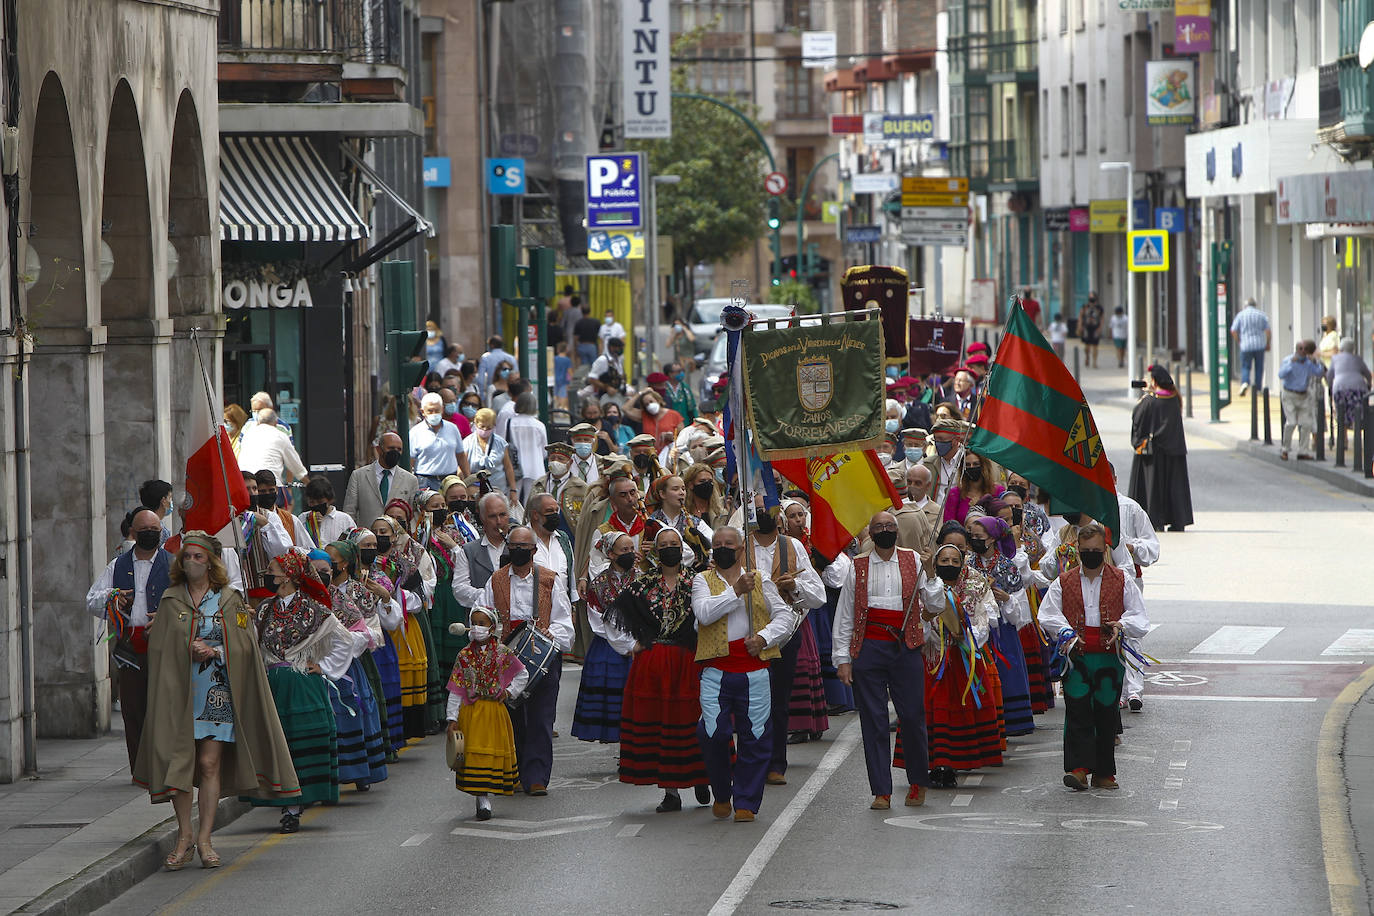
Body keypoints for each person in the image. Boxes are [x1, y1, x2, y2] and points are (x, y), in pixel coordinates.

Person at [133, 532, 299, 870]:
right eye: (187, 557)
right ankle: (184, 835)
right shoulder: (170, 600)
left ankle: (206, 838)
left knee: (209, 764)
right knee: (180, 762)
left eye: (197, 556)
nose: (191, 561)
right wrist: (179, 649)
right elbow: (159, 650)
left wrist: (215, 650)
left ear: (210, 562)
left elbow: (246, 647)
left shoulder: (230, 600)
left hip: (217, 692)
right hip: (178, 695)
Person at [249, 548, 356, 833]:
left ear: (288, 576)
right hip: (274, 686)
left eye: (272, 569)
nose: (268, 575)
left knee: (300, 744)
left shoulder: (314, 609)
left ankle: (295, 807)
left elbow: (346, 641)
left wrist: (326, 667)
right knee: (281, 745)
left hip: (303, 685)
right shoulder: (264, 609)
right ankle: (287, 802)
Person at [605, 527, 711, 812]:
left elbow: (711, 617)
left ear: (682, 547)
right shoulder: (643, 583)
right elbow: (613, 617)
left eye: (673, 544)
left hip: (688, 661)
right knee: (661, 724)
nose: (668, 549)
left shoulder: (697, 581)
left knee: (693, 721)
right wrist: (632, 645)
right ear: (655, 550)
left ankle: (702, 776)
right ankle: (671, 791)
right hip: (653, 664)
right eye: (663, 544)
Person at [692, 526, 793, 823]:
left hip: (754, 671)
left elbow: (785, 616)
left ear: (740, 550)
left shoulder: (760, 580)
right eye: (717, 544)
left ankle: (747, 800)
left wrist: (764, 637)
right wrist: (735, 591)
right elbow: (704, 613)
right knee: (712, 733)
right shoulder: (702, 580)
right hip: (716, 670)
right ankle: (722, 791)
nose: (723, 548)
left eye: (729, 544)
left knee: (757, 736)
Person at [1037, 523, 1149, 791]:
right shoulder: (1063, 582)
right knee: (1077, 710)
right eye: (1086, 550)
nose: (1091, 554)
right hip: (1078, 657)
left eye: (1096, 550)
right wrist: (1066, 632)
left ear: (1105, 549)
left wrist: (1121, 625)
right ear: (1077, 550)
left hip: (1109, 658)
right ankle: (1078, 770)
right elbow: (1047, 614)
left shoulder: (1122, 579)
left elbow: (1139, 616)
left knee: (1106, 713)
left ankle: (1103, 773)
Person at [831, 510, 930, 810]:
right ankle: (881, 791)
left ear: (897, 531)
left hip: (906, 646)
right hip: (870, 647)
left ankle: (917, 781)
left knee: (912, 716)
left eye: (890, 526)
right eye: (879, 527)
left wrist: (933, 574)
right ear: (870, 534)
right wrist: (842, 659)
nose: (885, 530)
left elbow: (934, 604)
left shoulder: (914, 560)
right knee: (872, 721)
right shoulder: (857, 565)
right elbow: (845, 614)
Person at [481, 526, 575, 795]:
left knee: (541, 717)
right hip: (507, 657)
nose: (518, 551)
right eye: (513, 546)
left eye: (524, 547)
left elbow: (564, 623)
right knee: (511, 716)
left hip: (542, 657)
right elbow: (486, 616)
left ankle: (536, 777)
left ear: (534, 550)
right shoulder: (495, 580)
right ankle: (516, 770)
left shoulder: (549, 579)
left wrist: (550, 633)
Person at [739, 496, 826, 787]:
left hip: (786, 635)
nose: (766, 515)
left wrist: (795, 585)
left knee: (779, 701)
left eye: (771, 509)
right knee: (747, 702)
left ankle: (776, 763)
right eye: (760, 510)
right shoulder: (740, 546)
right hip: (747, 635)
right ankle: (749, 760)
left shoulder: (794, 546)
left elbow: (818, 595)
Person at [908, 533, 1002, 788]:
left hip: (964, 658)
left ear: (962, 562)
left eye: (954, 560)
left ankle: (952, 762)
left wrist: (966, 636)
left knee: (959, 713)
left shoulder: (977, 583)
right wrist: (933, 632)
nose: (949, 564)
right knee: (932, 712)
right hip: (933, 659)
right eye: (944, 559)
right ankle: (934, 763)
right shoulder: (924, 583)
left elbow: (988, 616)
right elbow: (917, 616)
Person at [86, 508, 170, 770]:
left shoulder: (174, 563)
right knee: (133, 711)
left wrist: (169, 616)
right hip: (130, 649)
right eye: (144, 530)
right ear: (133, 532)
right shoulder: (118, 565)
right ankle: (139, 769)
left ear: (161, 532)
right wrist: (112, 597)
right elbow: (91, 601)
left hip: (165, 647)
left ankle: (165, 767)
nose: (149, 535)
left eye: (154, 531)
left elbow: (191, 605)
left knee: (165, 710)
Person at [445, 606, 527, 820]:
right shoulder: (463, 656)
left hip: (494, 712)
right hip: (471, 713)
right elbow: (456, 689)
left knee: (491, 754)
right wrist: (452, 718)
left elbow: (522, 674)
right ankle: (482, 799)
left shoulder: (502, 653)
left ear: (492, 627)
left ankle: (487, 794)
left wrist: (509, 693)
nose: (477, 628)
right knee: (475, 755)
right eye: (474, 623)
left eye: (482, 623)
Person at [323, 539, 390, 789]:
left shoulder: (360, 591)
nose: (328, 568)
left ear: (346, 563)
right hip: (324, 660)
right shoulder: (320, 592)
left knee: (356, 711)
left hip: (354, 662)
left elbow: (375, 631)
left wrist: (349, 640)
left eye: (333, 562)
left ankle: (362, 771)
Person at [965, 515, 1034, 738]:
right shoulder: (967, 565)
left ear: (992, 539)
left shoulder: (1008, 567)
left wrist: (1006, 599)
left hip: (1003, 632)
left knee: (1007, 673)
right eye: (972, 536)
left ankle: (1013, 721)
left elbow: (1021, 614)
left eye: (979, 536)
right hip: (976, 629)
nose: (974, 540)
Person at [572, 531, 638, 743]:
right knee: (612, 702)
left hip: (639, 644)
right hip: (608, 647)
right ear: (610, 554)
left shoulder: (643, 578)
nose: (629, 553)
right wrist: (624, 644)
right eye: (624, 550)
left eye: (631, 549)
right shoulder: (599, 583)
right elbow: (597, 620)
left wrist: (637, 641)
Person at [1128, 364, 1194, 532]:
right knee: (1174, 487)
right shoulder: (1174, 399)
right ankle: (1177, 520)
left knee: (1153, 488)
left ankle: (1156, 520)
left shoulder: (1150, 401)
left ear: (1155, 381)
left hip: (1154, 452)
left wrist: (1145, 396)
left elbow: (1137, 418)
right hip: (1175, 450)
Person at [1114, 475, 1160, 713]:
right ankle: (1118, 690)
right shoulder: (1086, 508)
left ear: (1114, 479)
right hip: (1098, 578)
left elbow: (1152, 547)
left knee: (1131, 631)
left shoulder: (1130, 508)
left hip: (1130, 579)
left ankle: (1134, 690)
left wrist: (1132, 547)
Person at [343, 431, 420, 526]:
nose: (395, 452)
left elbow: (414, 515)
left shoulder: (411, 480)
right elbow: (349, 512)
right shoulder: (358, 476)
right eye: (391, 448)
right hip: (368, 536)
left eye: (399, 449)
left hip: (397, 538)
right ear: (379, 449)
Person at [1278, 339, 1326, 462]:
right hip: (1290, 394)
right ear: (1296, 349)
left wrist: (1316, 359)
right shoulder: (1289, 360)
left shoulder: (1308, 363)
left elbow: (1319, 372)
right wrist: (1291, 364)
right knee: (1291, 422)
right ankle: (1285, 449)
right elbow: (1281, 375)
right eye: (1301, 349)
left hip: (1303, 395)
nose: (1303, 352)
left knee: (1306, 424)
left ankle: (1303, 451)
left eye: (1305, 349)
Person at [411, 392, 466, 490]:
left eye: (437, 410)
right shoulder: (415, 432)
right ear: (423, 412)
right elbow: (410, 460)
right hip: (424, 480)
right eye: (430, 411)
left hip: (449, 479)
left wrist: (467, 477)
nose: (434, 414)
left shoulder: (452, 428)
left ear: (442, 410)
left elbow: (461, 455)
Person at [463, 408, 518, 507]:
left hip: (498, 489)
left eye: (488, 428)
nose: (484, 430)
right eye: (482, 427)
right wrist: (465, 486)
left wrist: (513, 490)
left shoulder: (500, 443)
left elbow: (508, 467)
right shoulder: (467, 442)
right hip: (474, 491)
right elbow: (462, 466)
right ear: (475, 424)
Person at [238, 409, 307, 486]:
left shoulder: (247, 435)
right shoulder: (281, 436)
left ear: (258, 422)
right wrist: (309, 483)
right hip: (271, 485)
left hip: (246, 484)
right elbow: (296, 467)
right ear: (276, 423)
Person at [942, 450, 1003, 525]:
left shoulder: (998, 491)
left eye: (976, 464)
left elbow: (1002, 520)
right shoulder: (954, 493)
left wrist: (980, 506)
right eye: (967, 465)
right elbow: (948, 524)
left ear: (984, 466)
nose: (971, 467)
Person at [507, 392, 547, 502]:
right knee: (532, 501)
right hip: (535, 466)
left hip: (514, 467)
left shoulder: (510, 423)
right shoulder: (539, 425)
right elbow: (545, 450)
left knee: (513, 500)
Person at [297, 476, 356, 547]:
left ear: (330, 500)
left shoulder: (345, 520)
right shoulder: (302, 518)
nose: (316, 505)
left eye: (320, 502)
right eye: (312, 502)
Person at [1230, 297, 1271, 395]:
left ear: (1246, 305)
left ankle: (1244, 382)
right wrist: (1268, 343)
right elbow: (1268, 331)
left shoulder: (1241, 315)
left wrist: (1239, 340)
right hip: (1259, 345)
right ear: (1255, 305)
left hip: (1245, 345)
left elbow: (1233, 330)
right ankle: (1257, 388)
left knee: (1245, 366)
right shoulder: (1261, 315)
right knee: (1259, 367)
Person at [1331, 337, 1373, 434]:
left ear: (1341, 348)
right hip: (1358, 388)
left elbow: (1330, 375)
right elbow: (1367, 374)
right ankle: (1357, 437)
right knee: (1356, 413)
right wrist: (1369, 385)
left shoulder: (1335, 358)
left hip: (1340, 388)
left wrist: (1330, 386)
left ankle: (1343, 439)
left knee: (1341, 413)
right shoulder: (1357, 359)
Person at [1079, 293, 1105, 368]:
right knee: (1087, 347)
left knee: (1095, 346)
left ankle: (1094, 362)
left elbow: (1102, 318)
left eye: (1093, 299)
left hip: (1095, 328)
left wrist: (1100, 327)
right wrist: (1080, 326)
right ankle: (1087, 356)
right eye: (1090, 299)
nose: (1092, 301)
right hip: (1086, 328)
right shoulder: (1085, 307)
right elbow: (1081, 316)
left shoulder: (1099, 308)